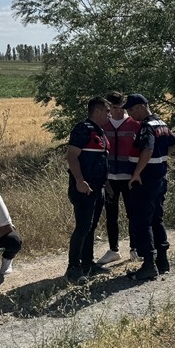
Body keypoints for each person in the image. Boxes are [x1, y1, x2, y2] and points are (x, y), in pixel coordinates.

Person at [125, 93, 175, 280]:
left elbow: (147, 149)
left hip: (146, 180)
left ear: (141, 106)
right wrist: (161, 158)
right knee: (157, 218)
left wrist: (137, 173)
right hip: (159, 178)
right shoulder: (161, 124)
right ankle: (162, 261)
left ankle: (149, 264)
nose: (130, 114)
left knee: (142, 220)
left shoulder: (147, 127)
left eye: (131, 110)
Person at [64, 97, 110, 282]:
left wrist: (107, 185)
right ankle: (73, 269)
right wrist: (80, 180)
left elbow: (101, 161)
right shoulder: (82, 128)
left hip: (98, 188)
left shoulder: (100, 132)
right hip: (84, 188)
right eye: (107, 111)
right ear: (97, 111)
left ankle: (88, 264)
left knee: (91, 227)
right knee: (82, 227)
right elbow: (72, 156)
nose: (109, 114)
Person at [98, 91, 141, 265]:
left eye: (116, 107)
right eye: (110, 108)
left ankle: (135, 248)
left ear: (122, 106)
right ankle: (114, 250)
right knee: (111, 215)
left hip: (129, 177)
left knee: (133, 214)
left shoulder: (134, 124)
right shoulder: (103, 125)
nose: (113, 111)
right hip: (109, 178)